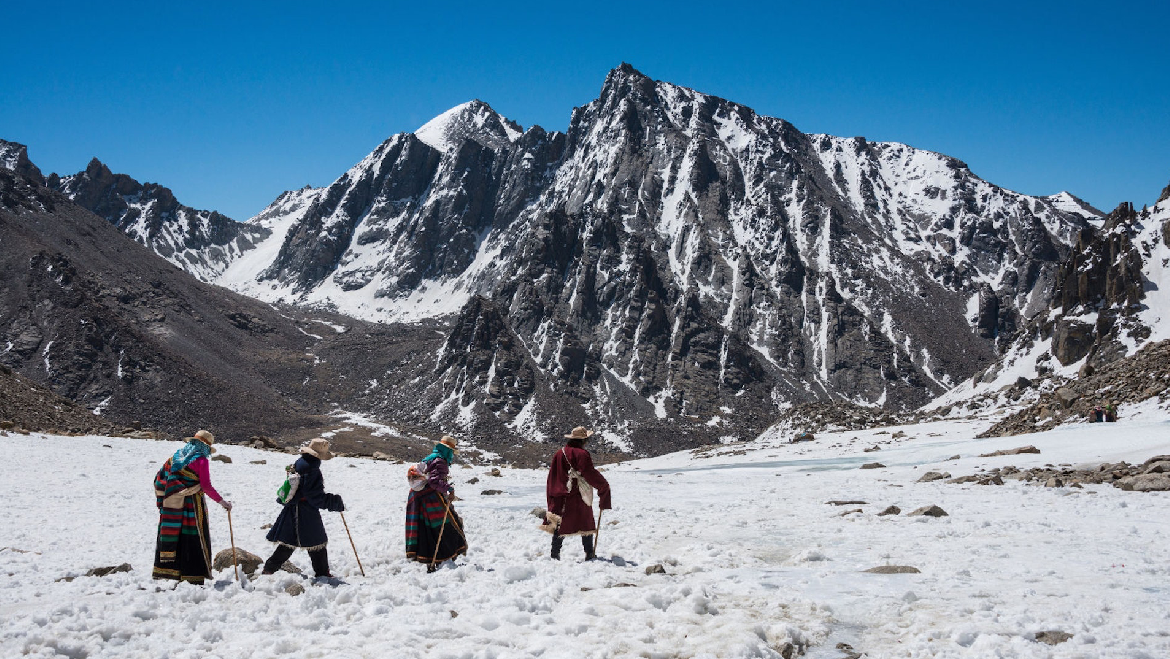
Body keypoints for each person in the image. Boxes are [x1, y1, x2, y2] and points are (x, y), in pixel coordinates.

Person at [152, 429, 232, 584]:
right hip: (192, 505)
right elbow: (206, 486)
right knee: (194, 536)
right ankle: (193, 576)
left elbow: (159, 478)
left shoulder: (175, 457)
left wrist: (170, 495)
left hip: (173, 505)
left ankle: (172, 572)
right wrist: (223, 502)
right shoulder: (201, 461)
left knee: (178, 535)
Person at [262, 438, 345, 580]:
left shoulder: (301, 462)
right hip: (305, 511)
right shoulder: (312, 468)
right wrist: (333, 502)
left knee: (289, 541)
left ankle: (270, 568)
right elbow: (314, 496)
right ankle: (322, 573)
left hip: (293, 508)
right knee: (317, 541)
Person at [543, 426, 611, 561]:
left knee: (560, 523)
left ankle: (554, 554)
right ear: (584, 440)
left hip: (561, 495)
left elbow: (553, 475)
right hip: (578, 494)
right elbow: (589, 473)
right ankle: (589, 553)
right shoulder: (582, 454)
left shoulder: (559, 453)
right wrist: (603, 487)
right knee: (585, 521)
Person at [405, 435, 467, 572]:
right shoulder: (440, 461)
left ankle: (431, 559)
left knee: (427, 529)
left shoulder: (430, 458)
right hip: (430, 498)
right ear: (448, 451)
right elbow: (434, 482)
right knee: (448, 525)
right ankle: (441, 559)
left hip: (418, 497)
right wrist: (449, 489)